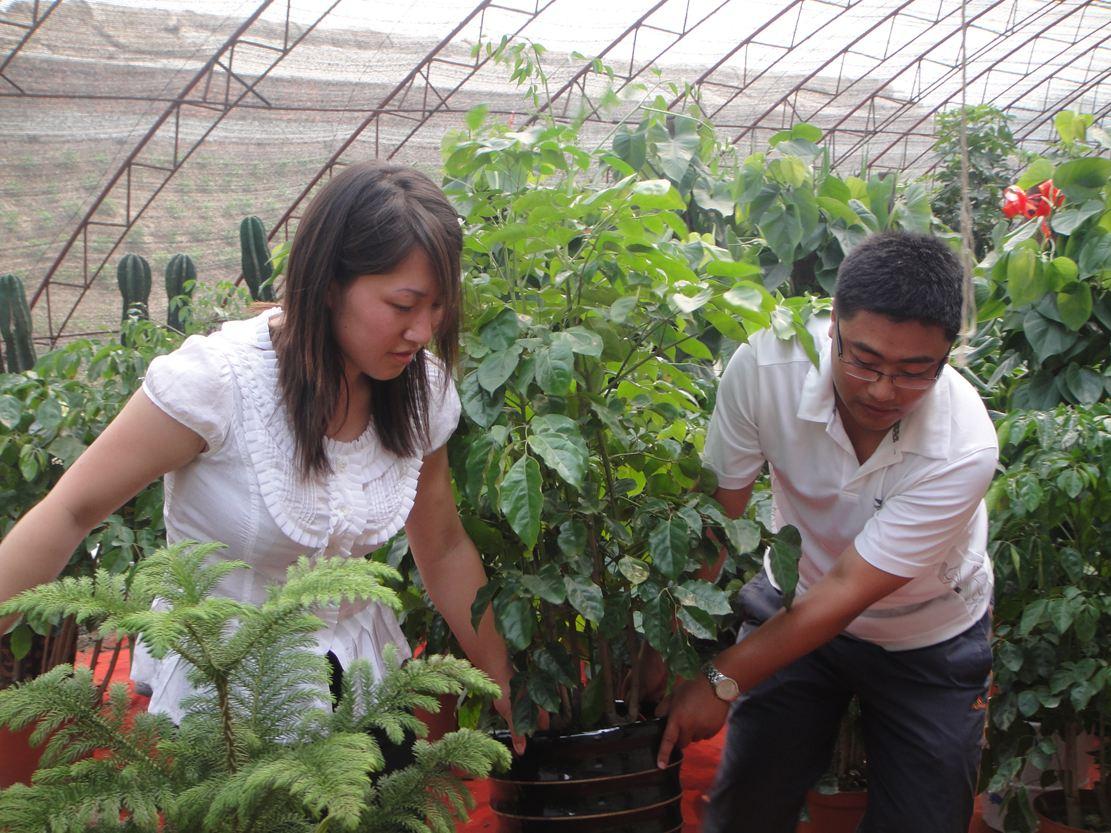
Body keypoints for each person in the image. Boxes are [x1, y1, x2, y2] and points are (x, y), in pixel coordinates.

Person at [0, 161, 526, 752]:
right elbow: (71, 509)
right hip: (223, 708)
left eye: (437, 308)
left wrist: (498, 674)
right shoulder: (220, 382)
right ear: (329, 285)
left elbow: (444, 543)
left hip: (363, 697)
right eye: (404, 306)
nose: (424, 331)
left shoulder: (418, 391)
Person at [656, 231, 998, 832]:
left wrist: (720, 677)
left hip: (929, 636)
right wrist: (663, 647)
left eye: (914, 371)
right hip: (796, 599)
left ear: (946, 359)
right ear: (833, 324)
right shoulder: (766, 368)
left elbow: (845, 593)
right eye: (863, 360)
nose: (883, 389)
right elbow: (715, 518)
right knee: (747, 808)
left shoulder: (963, 445)